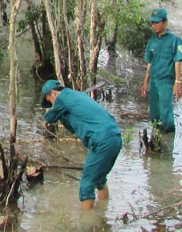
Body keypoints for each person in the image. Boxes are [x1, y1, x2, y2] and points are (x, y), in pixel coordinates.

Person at [40, 80, 122, 210]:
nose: (51, 104)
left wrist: (54, 108)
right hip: (115, 137)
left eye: (49, 101)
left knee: (87, 184)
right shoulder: (78, 95)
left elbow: (50, 118)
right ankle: (103, 212)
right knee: (99, 179)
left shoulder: (61, 98)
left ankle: (87, 224)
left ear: (53, 93)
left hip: (102, 140)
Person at [140, 7, 182, 134]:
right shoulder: (152, 41)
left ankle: (168, 144)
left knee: (166, 113)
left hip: (166, 82)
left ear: (165, 23)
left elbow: (178, 61)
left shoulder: (174, 40)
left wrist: (178, 82)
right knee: (155, 113)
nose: (154, 26)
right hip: (154, 81)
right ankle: (157, 141)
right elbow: (150, 63)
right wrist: (145, 82)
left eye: (157, 22)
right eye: (152, 23)